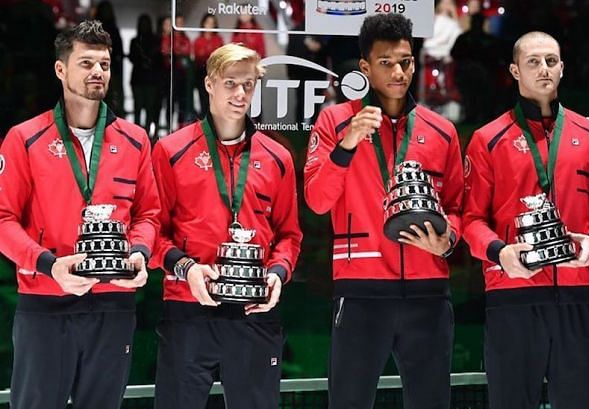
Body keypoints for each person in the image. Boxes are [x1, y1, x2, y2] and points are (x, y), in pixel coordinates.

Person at [304, 13, 463, 409]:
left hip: (428, 292)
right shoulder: (335, 120)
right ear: (365, 67)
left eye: (405, 61)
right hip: (361, 293)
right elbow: (317, 200)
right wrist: (348, 143)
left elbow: (460, 207)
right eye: (386, 62)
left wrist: (448, 239)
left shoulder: (441, 131)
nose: (398, 71)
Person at [462, 31, 589, 408]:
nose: (543, 68)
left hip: (581, 293)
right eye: (533, 61)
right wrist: (500, 253)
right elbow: (471, 220)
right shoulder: (488, 139)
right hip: (513, 294)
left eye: (551, 61)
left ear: (563, 68)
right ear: (515, 71)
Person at [0, 20, 159, 408]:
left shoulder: (135, 140)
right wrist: (47, 264)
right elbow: (3, 221)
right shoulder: (25, 139)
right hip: (46, 302)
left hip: (114, 305)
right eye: (86, 63)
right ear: (61, 69)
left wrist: (139, 253)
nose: (97, 72)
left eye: (104, 64)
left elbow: (149, 214)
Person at [150, 43, 302, 409]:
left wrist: (278, 275)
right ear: (209, 84)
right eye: (231, 83)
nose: (240, 94)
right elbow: (153, 230)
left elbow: (289, 235)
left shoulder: (278, 157)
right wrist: (186, 269)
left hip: (255, 311)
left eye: (248, 85)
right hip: (189, 308)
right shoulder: (171, 151)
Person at [129, 13, 160, 137]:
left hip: (150, 79)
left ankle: (146, 135)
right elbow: (132, 57)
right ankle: (136, 134)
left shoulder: (155, 41)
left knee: (149, 108)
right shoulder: (135, 41)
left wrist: (147, 61)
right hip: (139, 78)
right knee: (138, 107)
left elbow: (158, 59)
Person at [193, 13, 224, 118]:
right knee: (203, 100)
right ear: (203, 24)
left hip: (216, 74)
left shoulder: (218, 39)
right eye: (208, 23)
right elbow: (198, 57)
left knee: (215, 100)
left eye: (212, 23)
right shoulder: (198, 41)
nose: (210, 25)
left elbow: (221, 57)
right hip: (201, 73)